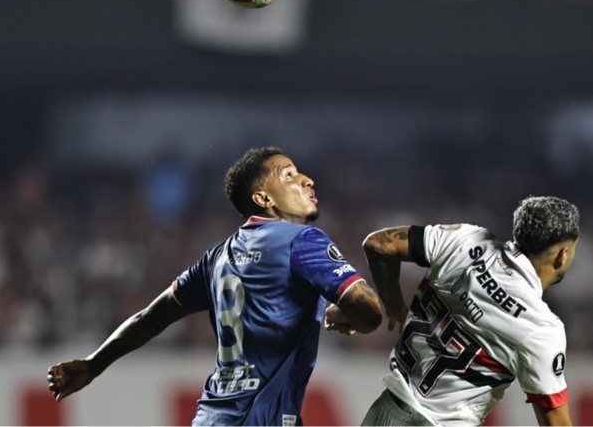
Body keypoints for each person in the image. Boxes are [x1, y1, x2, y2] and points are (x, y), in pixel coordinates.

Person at [47, 146, 383, 426]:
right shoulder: (302, 241)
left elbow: (149, 319)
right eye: (289, 175)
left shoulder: (216, 257)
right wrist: (353, 314)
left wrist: (93, 364)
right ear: (263, 197)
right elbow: (370, 312)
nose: (307, 180)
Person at [356, 196, 579, 426]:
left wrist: (394, 307)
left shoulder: (465, 240)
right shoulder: (541, 327)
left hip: (384, 413)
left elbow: (378, 244)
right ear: (563, 254)